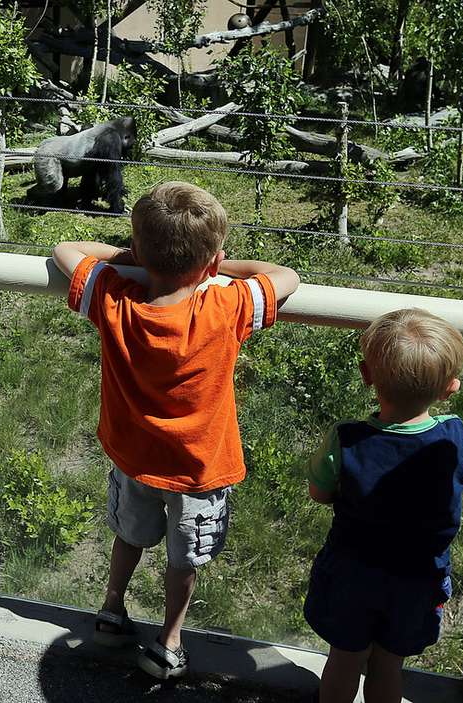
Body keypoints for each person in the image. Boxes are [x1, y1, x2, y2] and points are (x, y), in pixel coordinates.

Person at [52, 181, 300, 679]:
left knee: (128, 535)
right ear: (211, 261)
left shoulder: (114, 299)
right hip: (198, 472)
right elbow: (284, 275)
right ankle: (169, 639)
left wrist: (135, 256)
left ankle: (111, 607)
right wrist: (218, 268)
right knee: (183, 560)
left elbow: (65, 249)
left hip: (133, 459)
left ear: (141, 252)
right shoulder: (223, 307)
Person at [303, 308, 463, 703]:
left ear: (366, 374)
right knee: (389, 664)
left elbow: (318, 493)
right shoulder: (454, 436)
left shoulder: (347, 438)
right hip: (417, 578)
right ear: (450, 388)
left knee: (344, 658)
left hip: (352, 572)